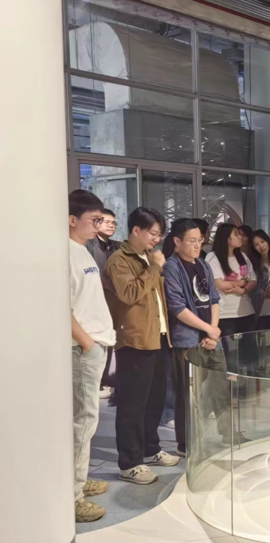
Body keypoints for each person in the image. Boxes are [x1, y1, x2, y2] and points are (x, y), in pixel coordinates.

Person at [105, 207, 180, 486]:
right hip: (135, 340)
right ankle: (130, 462)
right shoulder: (119, 260)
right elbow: (130, 294)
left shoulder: (148, 257)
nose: (156, 240)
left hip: (157, 336)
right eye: (153, 233)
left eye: (159, 235)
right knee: (132, 403)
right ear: (136, 230)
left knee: (155, 398)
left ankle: (150, 449)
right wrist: (155, 268)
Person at [69, 190, 116, 523]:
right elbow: (61, 304)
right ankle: (72, 495)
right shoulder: (65, 252)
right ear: (72, 220)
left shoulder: (83, 250)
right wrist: (86, 342)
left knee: (86, 420)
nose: (99, 225)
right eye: (94, 220)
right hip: (83, 347)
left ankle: (78, 480)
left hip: (94, 343)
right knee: (83, 420)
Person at [162, 218, 221, 457]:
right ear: (177, 241)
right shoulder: (172, 267)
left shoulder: (203, 264)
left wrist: (213, 331)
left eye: (200, 240)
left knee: (219, 387)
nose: (197, 245)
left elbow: (214, 298)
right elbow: (177, 308)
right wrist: (208, 329)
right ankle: (186, 444)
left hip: (210, 337)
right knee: (187, 394)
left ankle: (224, 435)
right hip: (187, 339)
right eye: (192, 241)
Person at [86, 208, 120, 400]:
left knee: (111, 339)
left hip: (114, 299)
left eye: (114, 223)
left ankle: (109, 379)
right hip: (95, 299)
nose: (111, 225)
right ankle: (97, 382)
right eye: (107, 222)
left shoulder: (117, 246)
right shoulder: (88, 246)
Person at [206, 223, 258, 338]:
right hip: (225, 314)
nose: (240, 237)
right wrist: (242, 282)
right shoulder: (212, 257)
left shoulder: (243, 256)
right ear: (226, 238)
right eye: (236, 234)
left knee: (250, 346)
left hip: (246, 311)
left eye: (240, 234)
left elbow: (253, 281)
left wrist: (243, 290)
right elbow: (220, 284)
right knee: (229, 347)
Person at [251, 230, 270, 330]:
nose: (261, 246)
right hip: (262, 311)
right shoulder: (255, 265)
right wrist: (261, 292)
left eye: (262, 242)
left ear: (267, 241)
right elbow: (252, 287)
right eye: (256, 244)